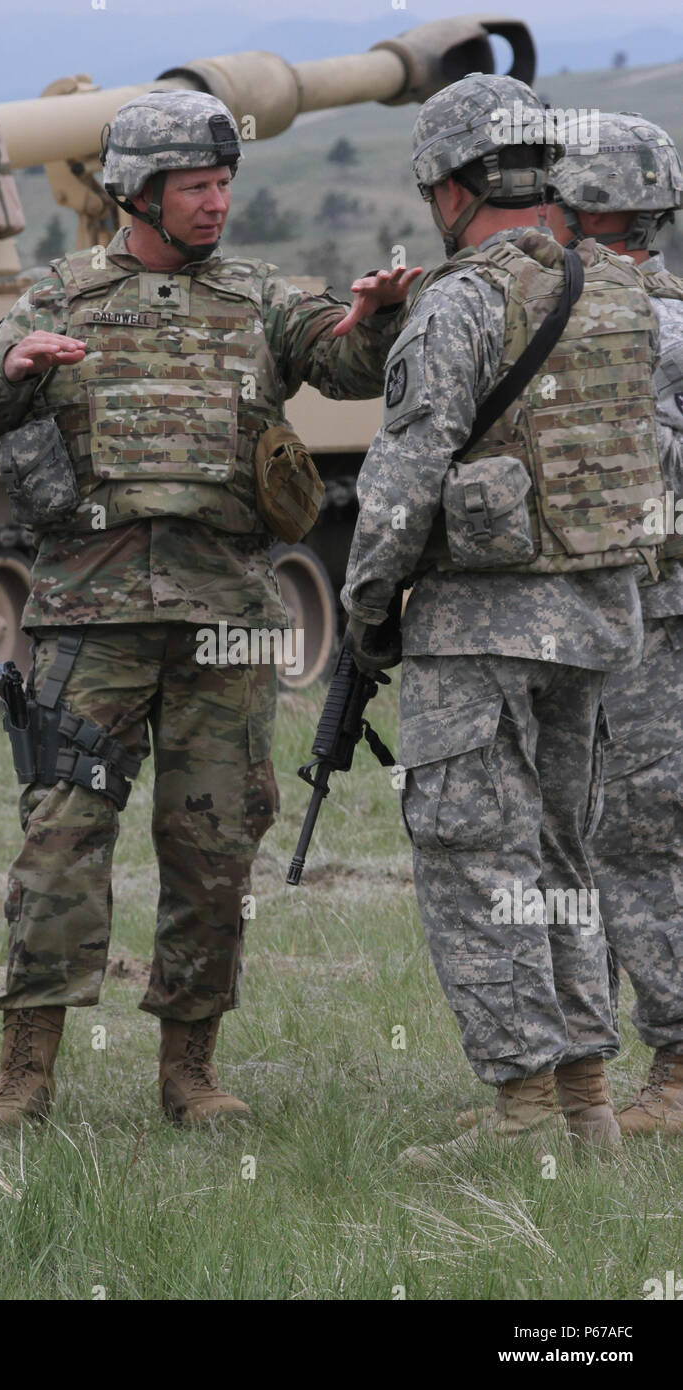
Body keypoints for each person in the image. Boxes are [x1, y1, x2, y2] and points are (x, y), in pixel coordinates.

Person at [0, 89, 419, 1132]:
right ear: (136, 196)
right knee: (61, 838)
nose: (217, 202)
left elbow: (341, 363)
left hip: (226, 624)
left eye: (223, 182)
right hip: (88, 623)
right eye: (195, 186)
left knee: (212, 850)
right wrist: (10, 377)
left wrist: (376, 320)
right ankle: (25, 1074)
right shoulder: (55, 298)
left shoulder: (258, 298)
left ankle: (189, 1073)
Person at [341, 73, 674, 1167]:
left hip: (476, 631)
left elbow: (402, 476)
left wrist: (365, 610)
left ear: (452, 186)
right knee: (559, 856)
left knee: (474, 862)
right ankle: (585, 1107)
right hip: (597, 621)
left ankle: (523, 1117)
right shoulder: (620, 297)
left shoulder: (462, 300)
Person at [544, 112, 683, 1134]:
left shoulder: (645, 330)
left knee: (630, 841)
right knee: (581, 841)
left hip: (648, 617)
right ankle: (568, 1082)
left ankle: (674, 1073)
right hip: (604, 614)